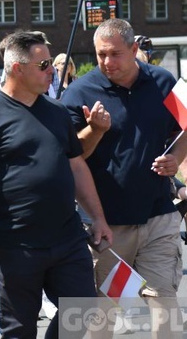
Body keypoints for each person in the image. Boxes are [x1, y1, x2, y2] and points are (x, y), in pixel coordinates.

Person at [0, 31, 113, 339]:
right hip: (16, 244)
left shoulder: (56, 111)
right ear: (17, 68)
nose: (51, 71)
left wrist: (98, 217)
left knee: (81, 311)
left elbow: (77, 166)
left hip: (67, 237)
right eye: (43, 64)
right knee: (19, 329)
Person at [61, 19, 187, 338]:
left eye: (115, 54)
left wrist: (177, 159)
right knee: (102, 312)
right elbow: (71, 158)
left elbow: (185, 127)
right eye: (101, 54)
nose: (107, 62)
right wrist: (95, 129)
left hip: (158, 216)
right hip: (106, 225)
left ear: (134, 50)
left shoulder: (163, 81)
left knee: (165, 305)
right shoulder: (79, 92)